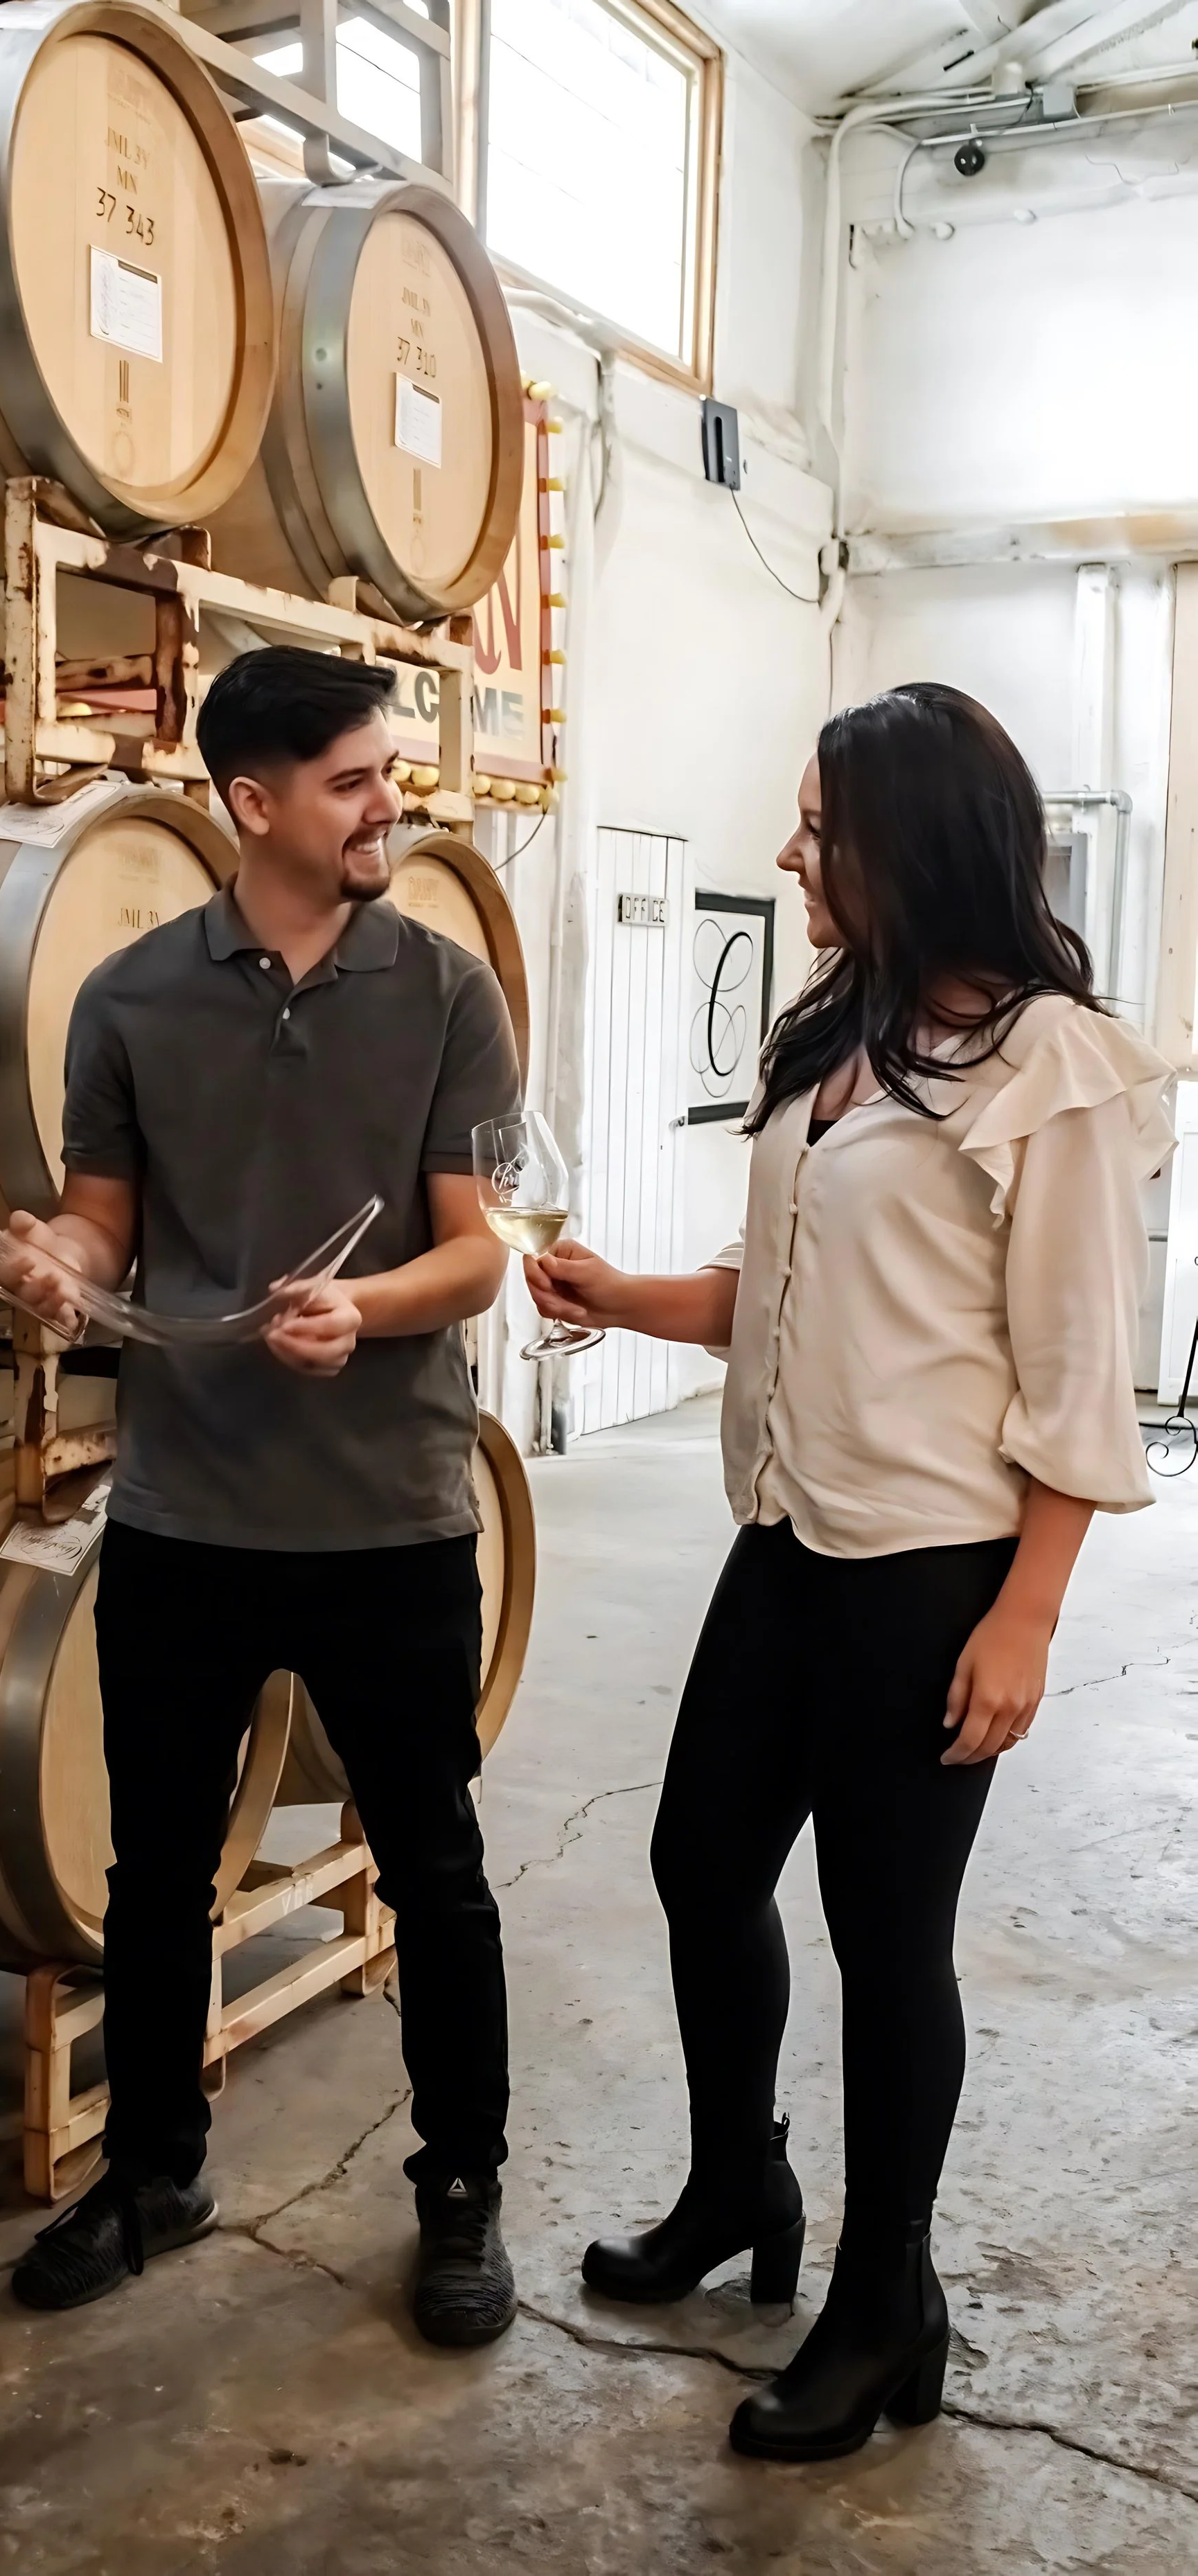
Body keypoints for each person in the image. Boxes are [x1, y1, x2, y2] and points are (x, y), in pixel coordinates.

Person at [527, 683, 1171, 2462]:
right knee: (694, 1858)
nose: (790, 853)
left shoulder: (1052, 1066)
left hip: (929, 1568)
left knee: (890, 1945)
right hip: (786, 1533)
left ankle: (886, 2305)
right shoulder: (840, 1030)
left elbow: (1074, 1372)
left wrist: (1025, 1612)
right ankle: (738, 2184)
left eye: (817, 828)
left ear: (910, 838)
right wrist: (619, 1296)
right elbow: (770, 1287)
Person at [0, 646, 522, 2346]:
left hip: (387, 1514)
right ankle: (154, 2163)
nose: (391, 806)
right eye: (357, 780)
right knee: (157, 1871)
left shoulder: (443, 991)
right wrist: (52, 1263)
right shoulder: (132, 996)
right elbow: (102, 1214)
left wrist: (362, 1308)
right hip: (183, 1511)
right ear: (254, 802)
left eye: (386, 774)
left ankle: (457, 2186)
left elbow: (470, 1252)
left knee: (431, 1867)